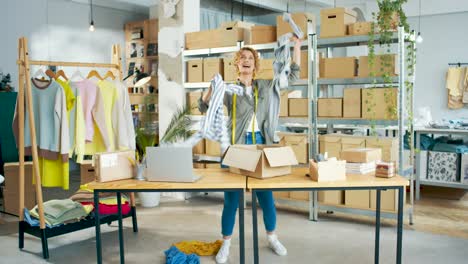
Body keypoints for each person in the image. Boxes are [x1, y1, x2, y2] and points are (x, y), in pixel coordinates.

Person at [198, 36, 302, 263]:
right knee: (231, 201)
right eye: (242, 58)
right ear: (236, 64)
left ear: (255, 66)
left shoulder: (264, 85)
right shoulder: (228, 89)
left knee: (266, 199)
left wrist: (297, 46)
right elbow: (203, 106)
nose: (246, 61)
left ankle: (272, 237)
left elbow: (292, 77)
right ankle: (225, 243)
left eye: (250, 58)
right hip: (236, 147)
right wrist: (210, 88)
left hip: (262, 145)